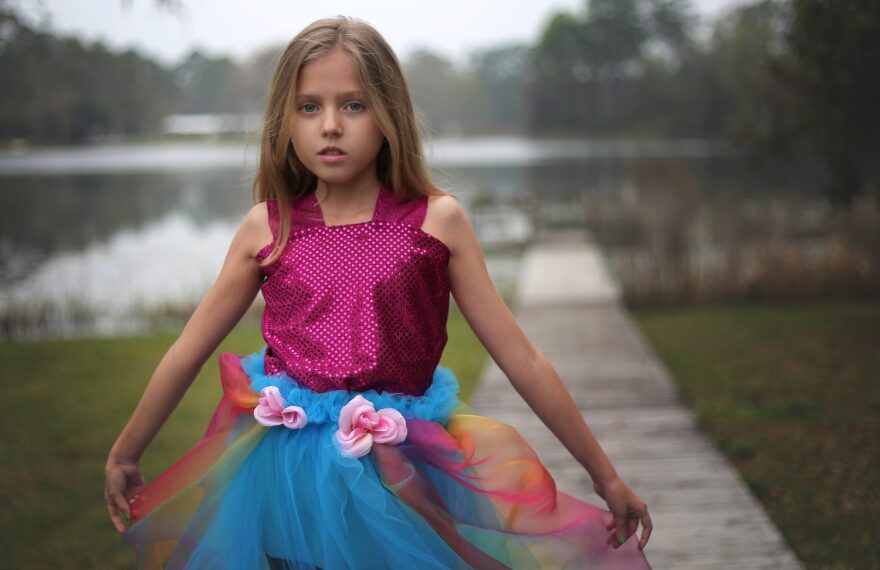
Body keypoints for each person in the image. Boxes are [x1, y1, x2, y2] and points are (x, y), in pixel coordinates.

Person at [104, 15, 653, 569]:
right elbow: (187, 351)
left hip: (405, 471)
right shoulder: (268, 227)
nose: (331, 126)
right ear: (285, 121)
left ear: (388, 113)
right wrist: (127, 450)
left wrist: (604, 475)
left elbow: (524, 360)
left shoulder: (436, 223)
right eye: (309, 107)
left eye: (354, 105)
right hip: (288, 479)